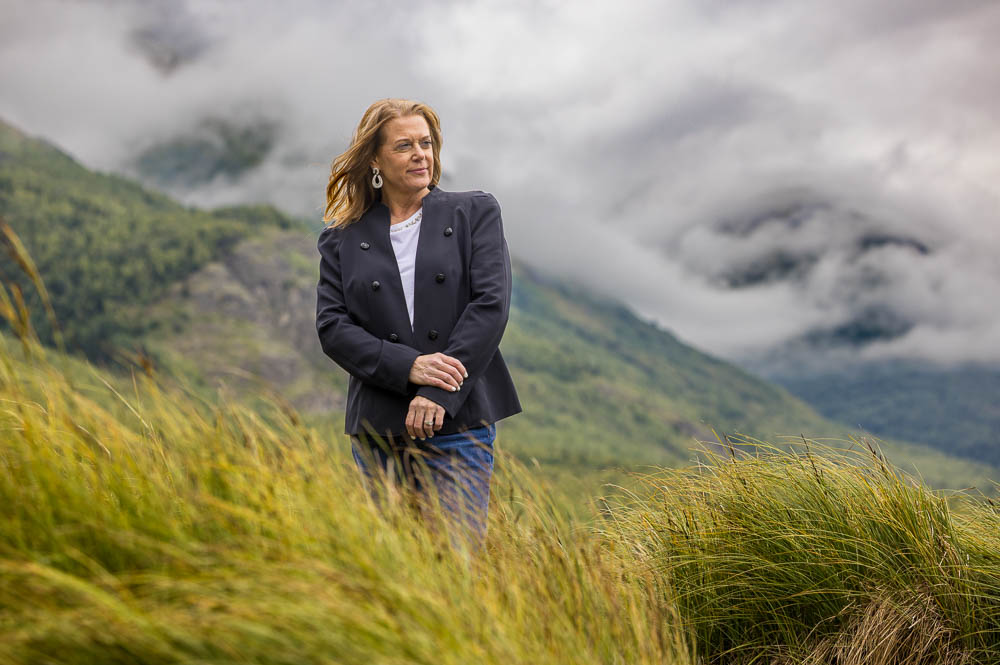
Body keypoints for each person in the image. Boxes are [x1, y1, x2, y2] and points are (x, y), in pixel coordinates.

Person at [315, 98, 521, 552]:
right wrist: (408, 366)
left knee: (457, 563)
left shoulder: (475, 212)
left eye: (426, 144)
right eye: (404, 145)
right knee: (396, 571)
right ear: (374, 159)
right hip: (379, 429)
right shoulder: (341, 238)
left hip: (459, 421)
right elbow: (332, 327)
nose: (420, 155)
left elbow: (490, 306)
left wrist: (437, 392)